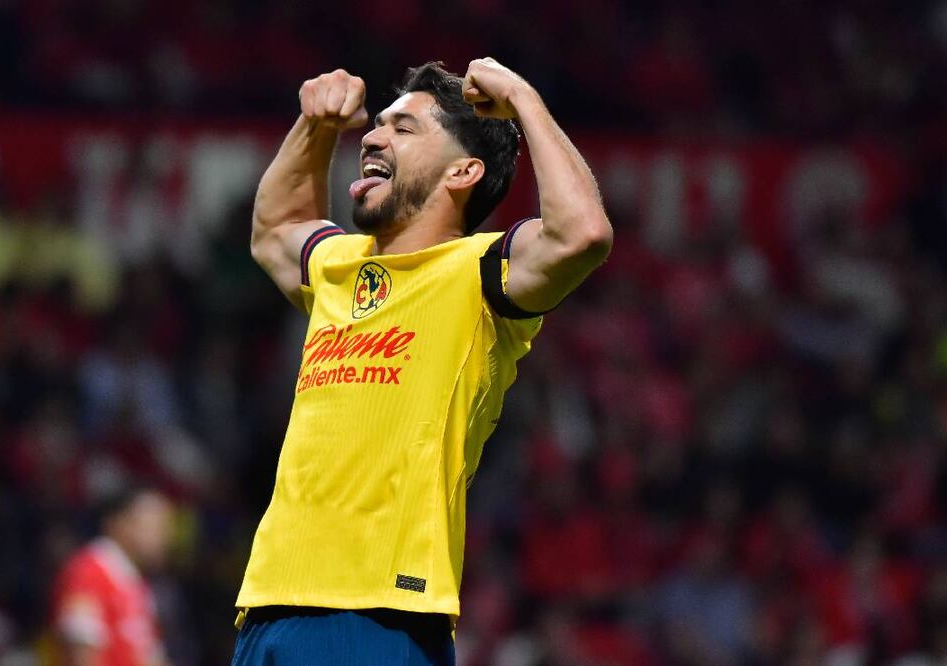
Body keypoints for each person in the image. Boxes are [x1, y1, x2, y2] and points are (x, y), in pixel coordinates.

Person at [235, 57, 613, 665]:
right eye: (377, 125)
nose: (374, 137)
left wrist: (522, 99)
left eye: (404, 129)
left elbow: (582, 235)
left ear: (464, 171)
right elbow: (275, 227)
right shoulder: (339, 264)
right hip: (268, 604)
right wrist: (315, 125)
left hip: (382, 613)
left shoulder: (483, 275)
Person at [52, 485, 173, 666]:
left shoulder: (135, 582)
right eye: (153, 526)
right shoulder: (88, 573)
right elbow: (82, 655)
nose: (163, 536)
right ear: (118, 524)